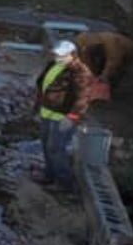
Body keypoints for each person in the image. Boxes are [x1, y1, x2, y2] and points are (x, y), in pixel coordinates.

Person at [35, 39, 92, 188]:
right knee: (46, 144)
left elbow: (83, 97)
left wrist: (72, 117)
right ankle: (49, 175)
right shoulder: (54, 64)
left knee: (56, 148)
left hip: (63, 117)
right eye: (56, 55)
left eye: (62, 56)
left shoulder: (80, 72)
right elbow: (44, 85)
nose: (58, 58)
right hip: (47, 112)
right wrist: (37, 106)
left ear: (72, 55)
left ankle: (64, 183)